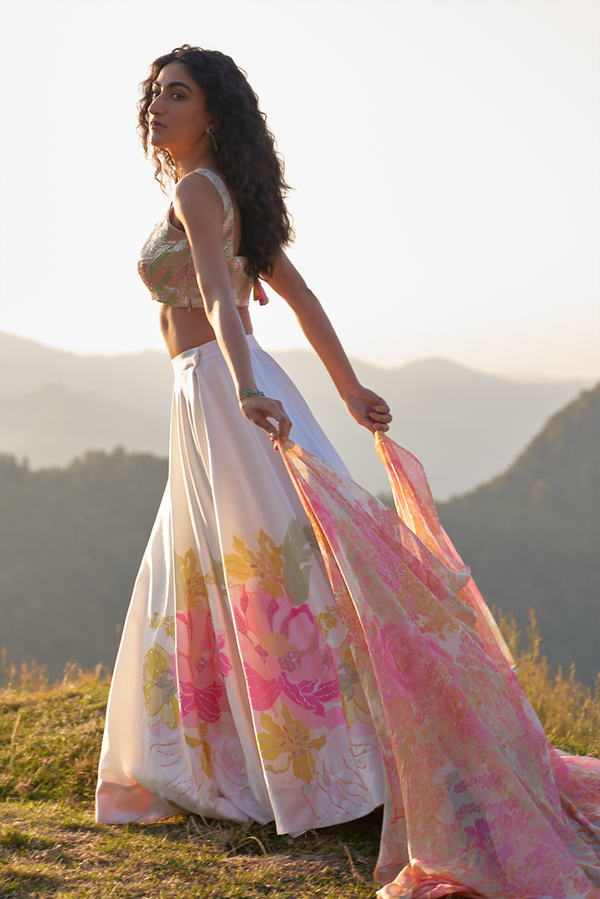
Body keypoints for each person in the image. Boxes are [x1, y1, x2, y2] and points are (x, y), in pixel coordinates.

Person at [97, 46, 600, 899]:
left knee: (258, 573)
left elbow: (225, 301)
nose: (156, 105)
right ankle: (313, 766)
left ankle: (300, 773)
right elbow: (297, 298)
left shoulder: (196, 191)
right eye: (153, 93)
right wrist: (346, 387)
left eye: (175, 94)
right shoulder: (225, 192)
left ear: (211, 113)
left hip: (225, 391)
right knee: (267, 571)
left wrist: (252, 388)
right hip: (219, 390)